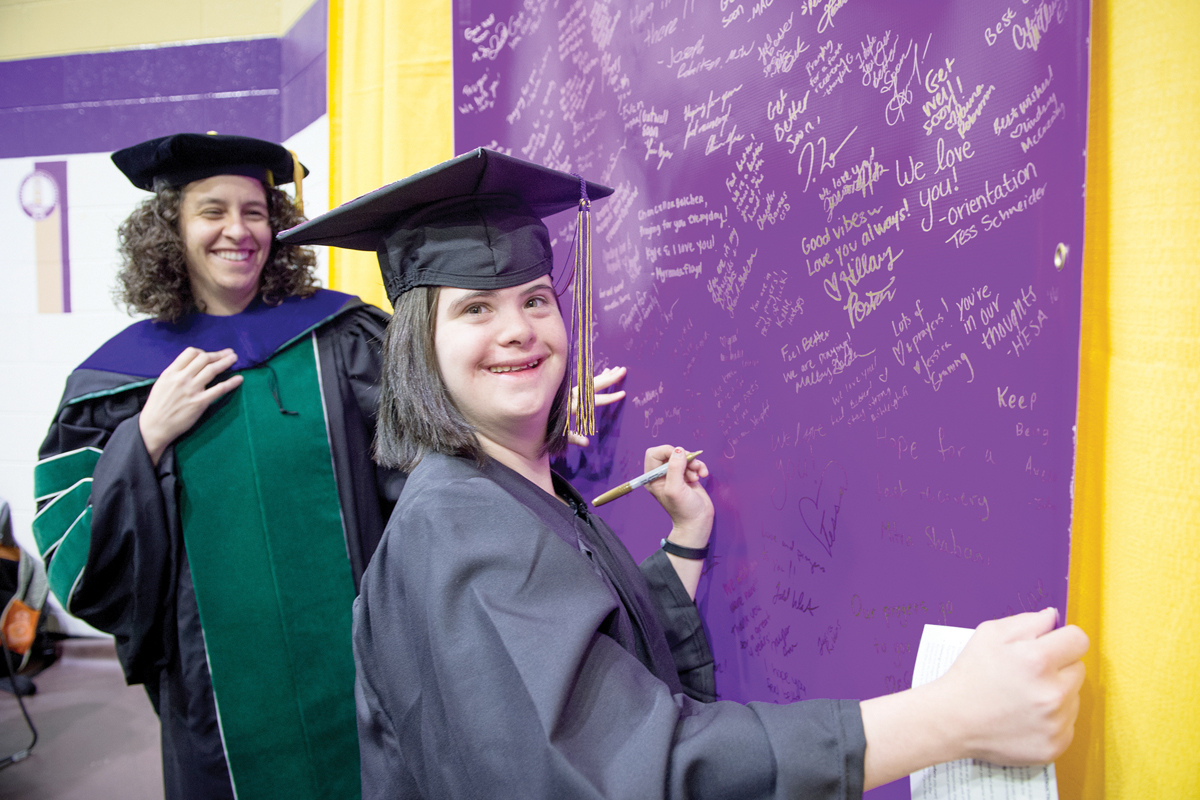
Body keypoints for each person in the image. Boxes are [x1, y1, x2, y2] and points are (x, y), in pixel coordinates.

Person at [279, 149, 1089, 799]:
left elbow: (585, 671)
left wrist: (687, 544)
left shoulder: (510, 487)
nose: (518, 331)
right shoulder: (458, 528)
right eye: (474, 310)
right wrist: (948, 719)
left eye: (535, 299)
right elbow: (627, 768)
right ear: (420, 342)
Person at [32, 133, 405, 800]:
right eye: (212, 210)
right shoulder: (117, 384)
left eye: (255, 212)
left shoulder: (341, 339)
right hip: (216, 697)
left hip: (361, 670)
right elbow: (77, 553)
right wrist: (142, 438)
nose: (238, 230)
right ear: (170, 227)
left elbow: (425, 459)